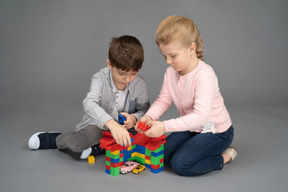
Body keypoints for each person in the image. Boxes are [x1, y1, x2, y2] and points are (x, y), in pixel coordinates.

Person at [135, 15, 237, 176]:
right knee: (163, 154)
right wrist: (149, 117)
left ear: (191, 49)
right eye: (164, 56)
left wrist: (164, 127)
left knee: (180, 164)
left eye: (172, 56)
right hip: (192, 127)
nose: (167, 61)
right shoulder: (171, 73)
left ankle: (224, 157)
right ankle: (196, 147)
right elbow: (163, 100)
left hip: (216, 131)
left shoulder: (204, 75)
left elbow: (201, 117)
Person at [28, 35, 150, 159]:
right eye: (121, 73)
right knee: (79, 143)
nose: (127, 79)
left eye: (133, 74)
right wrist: (112, 124)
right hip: (99, 126)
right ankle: (56, 139)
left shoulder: (140, 84)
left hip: (126, 129)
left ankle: (97, 148)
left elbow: (145, 110)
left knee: (147, 135)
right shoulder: (99, 78)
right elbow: (89, 103)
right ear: (109, 64)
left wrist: (134, 118)